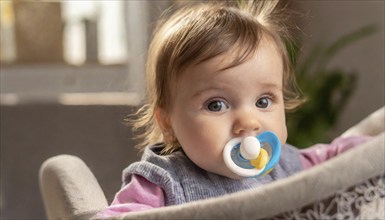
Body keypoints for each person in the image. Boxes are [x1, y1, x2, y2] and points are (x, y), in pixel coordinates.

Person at [94, 1, 370, 218]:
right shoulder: (162, 179)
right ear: (167, 121)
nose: (248, 122)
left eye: (263, 101)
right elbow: (123, 215)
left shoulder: (288, 163)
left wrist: (373, 148)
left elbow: (334, 158)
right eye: (216, 105)